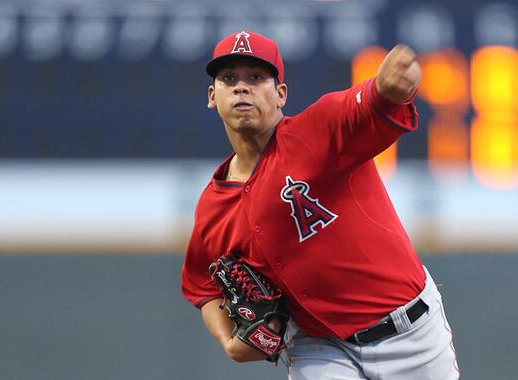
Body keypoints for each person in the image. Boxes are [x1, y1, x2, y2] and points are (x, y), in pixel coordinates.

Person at [181, 30, 459, 379]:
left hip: (410, 334)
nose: (241, 87)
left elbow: (370, 104)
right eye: (228, 79)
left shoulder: (319, 131)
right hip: (320, 346)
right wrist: (228, 340)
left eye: (255, 77)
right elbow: (201, 283)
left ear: (281, 94)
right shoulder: (214, 206)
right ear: (212, 96)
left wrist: (390, 88)